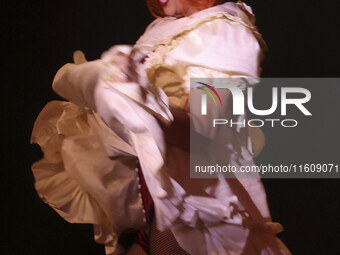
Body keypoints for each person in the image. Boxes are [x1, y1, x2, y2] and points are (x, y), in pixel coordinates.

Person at [31, 0, 291, 254]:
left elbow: (203, 135)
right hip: (150, 196)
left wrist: (138, 102)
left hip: (194, 205)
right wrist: (113, 92)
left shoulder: (226, 34)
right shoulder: (164, 27)